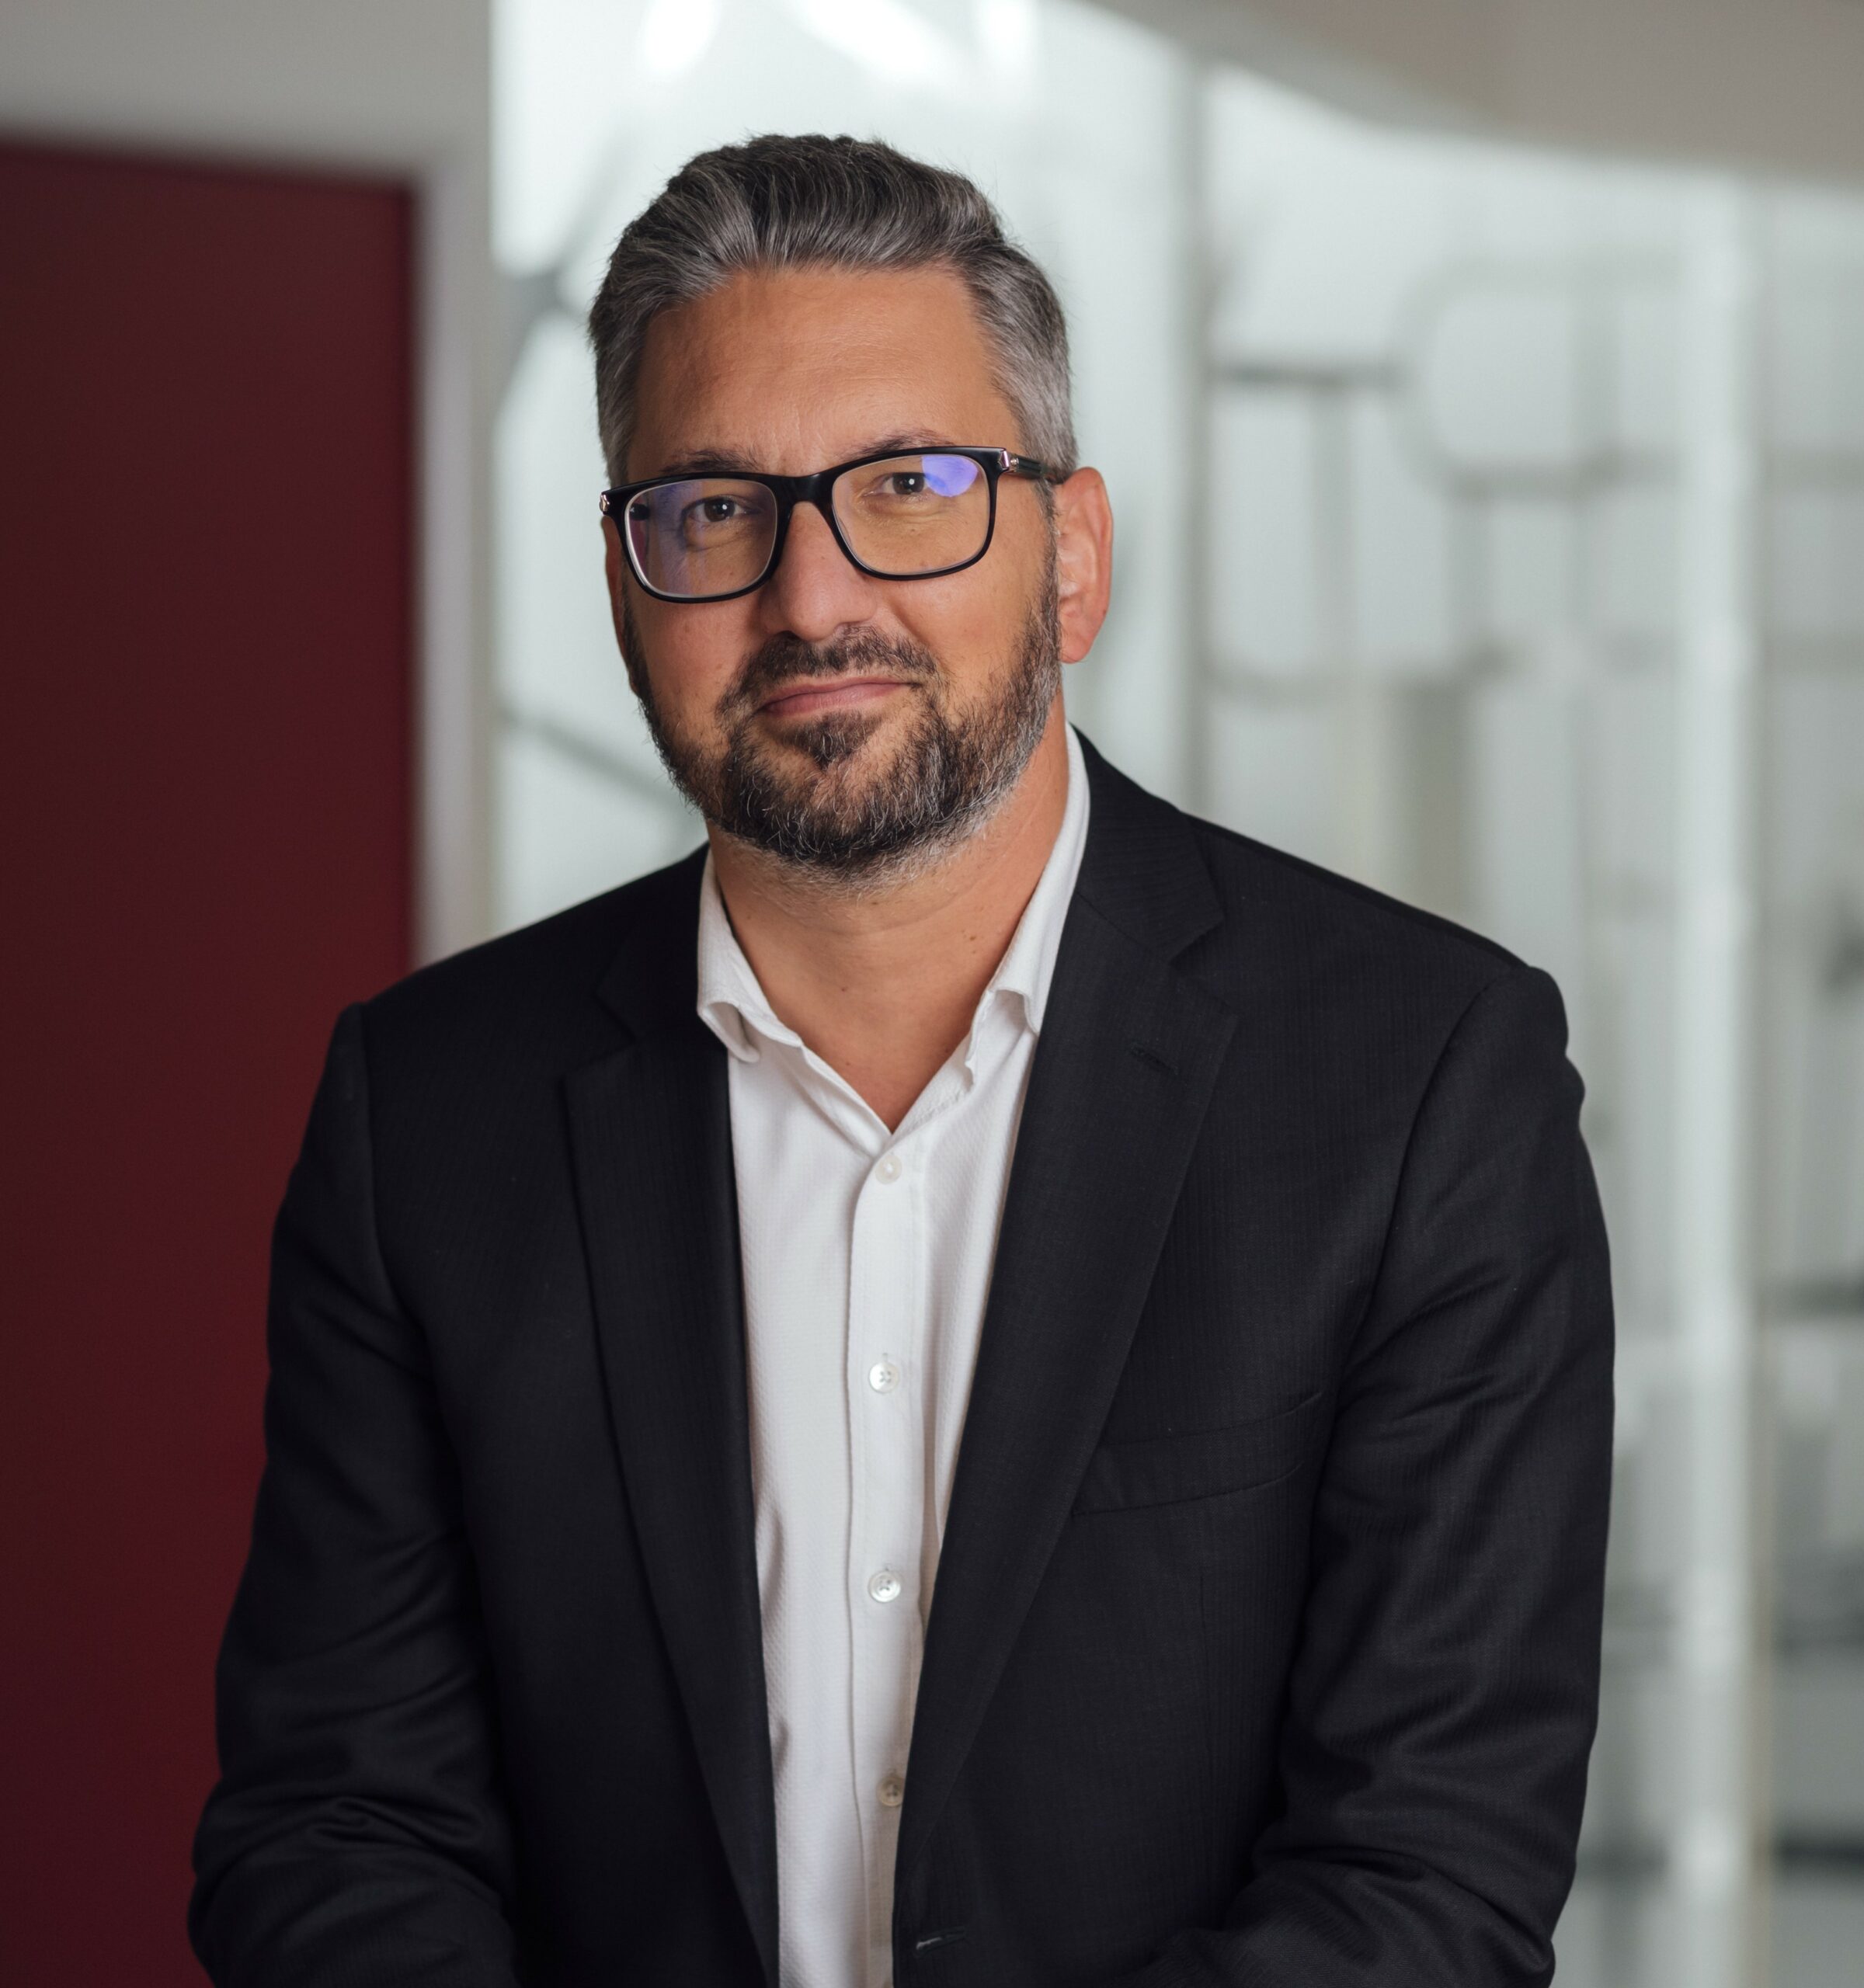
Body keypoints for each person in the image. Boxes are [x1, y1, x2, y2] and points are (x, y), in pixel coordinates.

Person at [190, 134, 1613, 1988]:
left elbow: (1424, 1876)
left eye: (910, 485)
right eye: (714, 507)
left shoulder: (1421, 1087)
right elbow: (338, 1826)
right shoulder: (428, 1114)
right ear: (624, 589)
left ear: (1071, 556)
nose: (809, 598)